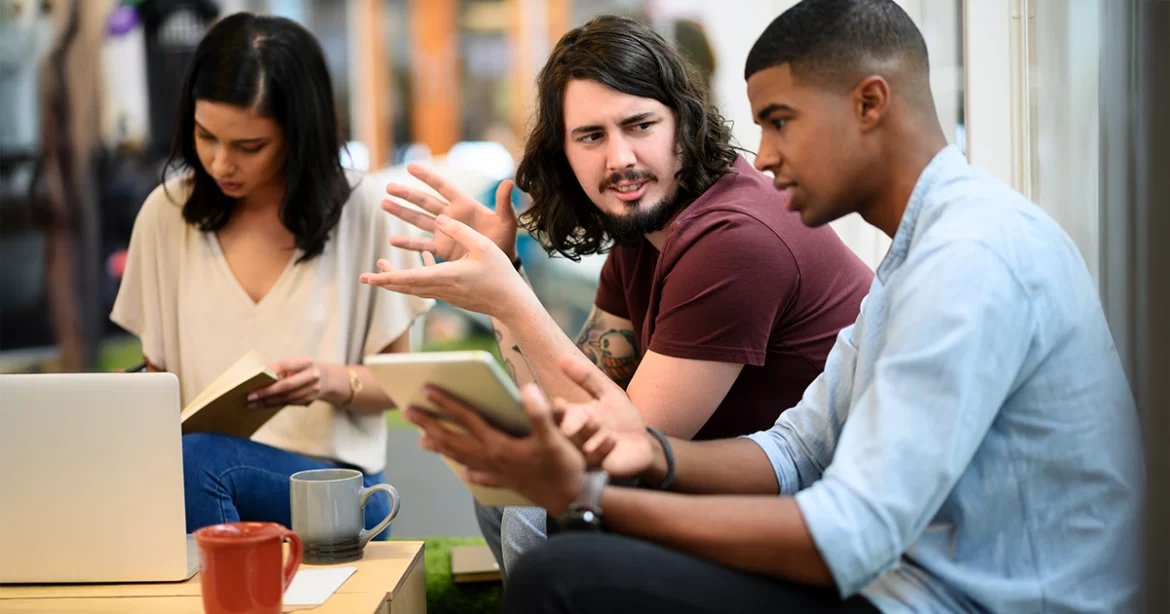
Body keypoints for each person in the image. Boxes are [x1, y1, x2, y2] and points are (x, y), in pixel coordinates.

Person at [399, 0, 1145, 612]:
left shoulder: (971, 259)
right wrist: (650, 456)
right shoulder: (913, 254)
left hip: (957, 597)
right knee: (537, 516)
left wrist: (597, 497)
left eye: (780, 120)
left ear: (870, 105)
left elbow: (850, 533)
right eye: (589, 136)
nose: (766, 155)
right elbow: (796, 448)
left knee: (559, 567)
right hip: (884, 568)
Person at [360, 15, 873, 573]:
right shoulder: (642, 228)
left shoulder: (733, 239)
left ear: (685, 123)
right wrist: (502, 279)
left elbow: (625, 449)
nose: (620, 159)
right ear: (563, 151)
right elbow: (566, 413)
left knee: (535, 507)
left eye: (640, 125)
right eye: (591, 136)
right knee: (504, 491)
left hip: (809, 514)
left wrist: (509, 297)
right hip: (721, 479)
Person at [110, 13, 431, 537]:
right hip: (195, 477)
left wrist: (332, 381)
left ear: (298, 134)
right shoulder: (165, 215)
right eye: (205, 136)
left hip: (337, 491)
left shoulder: (365, 209)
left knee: (198, 461)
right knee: (187, 463)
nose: (219, 163)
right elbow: (156, 385)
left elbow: (402, 386)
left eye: (249, 146)